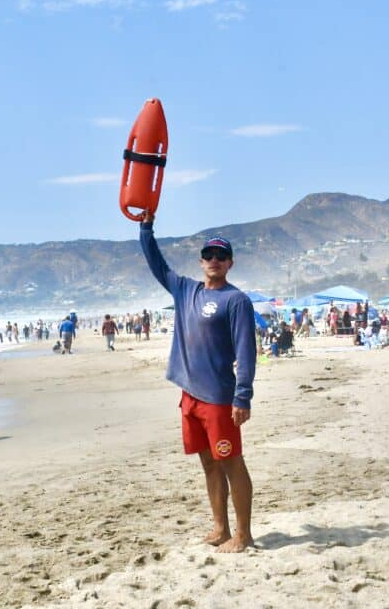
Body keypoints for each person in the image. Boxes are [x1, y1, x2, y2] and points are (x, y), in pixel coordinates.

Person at [139, 211, 256, 553]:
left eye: (221, 256)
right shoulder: (185, 290)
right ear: (201, 260)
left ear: (230, 263)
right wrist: (146, 227)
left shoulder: (236, 301)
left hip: (220, 399)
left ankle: (243, 534)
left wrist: (243, 396)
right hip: (189, 397)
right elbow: (156, 264)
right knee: (208, 464)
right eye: (209, 255)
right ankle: (220, 527)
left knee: (231, 461)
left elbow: (247, 352)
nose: (214, 260)